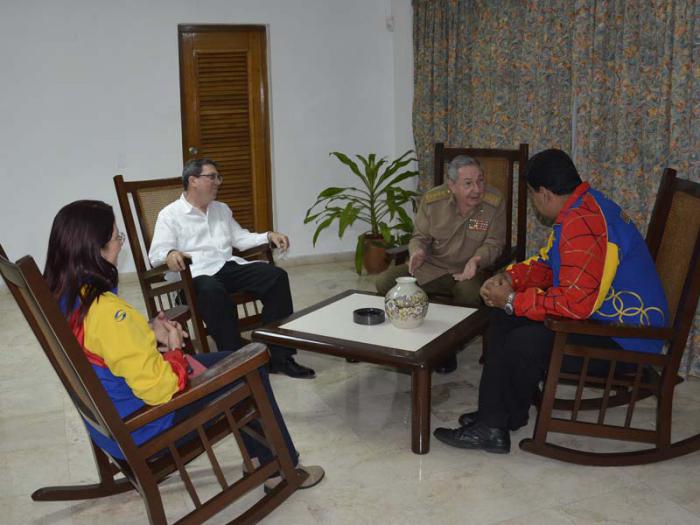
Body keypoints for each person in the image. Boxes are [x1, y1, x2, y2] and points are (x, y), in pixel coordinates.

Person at [44, 200, 324, 490]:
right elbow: (160, 390)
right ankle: (281, 469)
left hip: (113, 427)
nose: (120, 245)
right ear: (95, 249)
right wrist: (175, 349)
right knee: (249, 367)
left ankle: (260, 458)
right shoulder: (108, 313)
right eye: (117, 238)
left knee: (232, 358)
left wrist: (147, 331)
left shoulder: (65, 297)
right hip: (148, 429)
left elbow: (106, 345)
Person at [433, 149, 669, 454]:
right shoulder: (580, 207)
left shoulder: (583, 224)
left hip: (628, 340)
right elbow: (548, 264)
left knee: (524, 338)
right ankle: (501, 418)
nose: (533, 200)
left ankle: (493, 426)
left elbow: (574, 305)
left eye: (531, 194)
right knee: (503, 317)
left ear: (544, 193)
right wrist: (511, 279)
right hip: (605, 321)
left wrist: (514, 300)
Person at [148, 158, 315, 379]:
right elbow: (155, 255)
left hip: (227, 267)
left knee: (276, 276)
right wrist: (170, 255)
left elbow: (240, 238)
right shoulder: (170, 214)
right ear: (193, 181)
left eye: (219, 177)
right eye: (212, 177)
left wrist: (268, 235)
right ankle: (238, 360)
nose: (218, 182)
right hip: (195, 277)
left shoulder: (221, 209)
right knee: (211, 289)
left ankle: (280, 357)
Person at [375, 155, 506, 373]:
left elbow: (495, 242)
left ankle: (448, 350)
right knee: (385, 282)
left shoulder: (494, 202)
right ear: (451, 185)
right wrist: (417, 251)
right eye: (468, 183)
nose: (477, 189)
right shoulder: (433, 200)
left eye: (480, 181)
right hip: (432, 266)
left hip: (469, 270)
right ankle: (408, 342)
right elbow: (420, 237)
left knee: (469, 295)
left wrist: (477, 259)